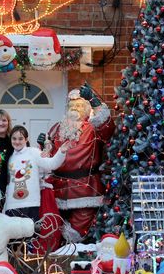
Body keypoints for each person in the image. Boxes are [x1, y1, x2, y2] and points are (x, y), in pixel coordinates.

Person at [39, 83, 114, 243]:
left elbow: (107, 126)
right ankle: (57, 254)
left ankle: (72, 254)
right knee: (53, 223)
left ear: (87, 109)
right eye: (72, 105)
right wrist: (42, 146)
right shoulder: (56, 128)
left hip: (84, 188)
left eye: (80, 105)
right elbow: (47, 156)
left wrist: (94, 100)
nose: (75, 108)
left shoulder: (94, 127)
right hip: (57, 188)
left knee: (78, 228)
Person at [4, 126, 70, 222]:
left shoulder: (33, 152)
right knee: (14, 235)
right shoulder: (10, 156)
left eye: (20, 138)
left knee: (29, 235)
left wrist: (61, 152)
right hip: (12, 204)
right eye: (14, 139)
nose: (17, 142)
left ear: (26, 139)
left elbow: (51, 164)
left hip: (30, 204)